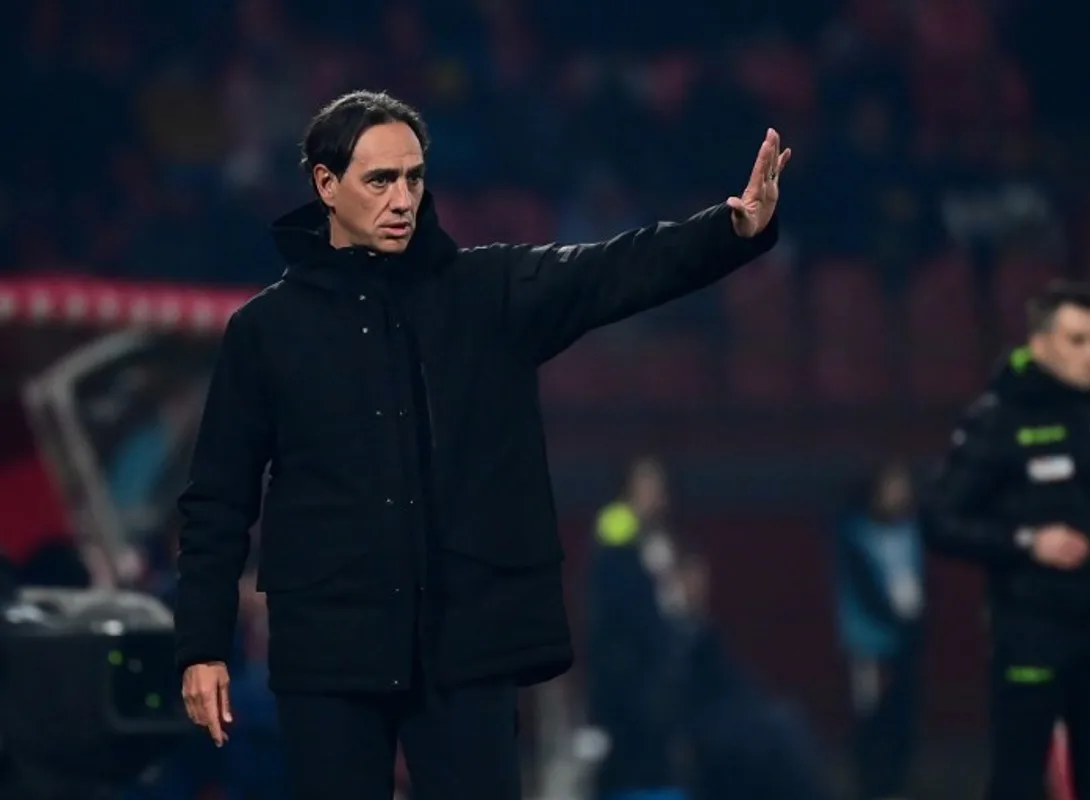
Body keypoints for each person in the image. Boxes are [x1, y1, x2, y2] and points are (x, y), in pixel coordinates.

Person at [175, 89, 790, 800]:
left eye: (413, 177)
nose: (402, 197)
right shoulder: (266, 332)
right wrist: (203, 645)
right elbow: (217, 500)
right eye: (380, 180)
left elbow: (613, 270)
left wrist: (732, 230)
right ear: (324, 184)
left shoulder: (488, 289)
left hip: (466, 647)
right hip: (330, 650)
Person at [922, 280, 1090, 800]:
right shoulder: (996, 420)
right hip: (1032, 629)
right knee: (1018, 780)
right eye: (1077, 339)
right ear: (1039, 344)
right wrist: (1027, 541)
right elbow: (940, 519)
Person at [586, 457, 687, 800]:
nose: (656, 494)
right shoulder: (619, 530)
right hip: (628, 671)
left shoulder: (658, 537)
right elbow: (624, 605)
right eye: (647, 484)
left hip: (657, 670)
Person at [834, 462, 923, 800]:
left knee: (904, 722)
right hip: (868, 648)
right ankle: (871, 788)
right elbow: (866, 591)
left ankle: (897, 786)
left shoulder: (912, 532)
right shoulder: (854, 533)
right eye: (891, 487)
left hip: (907, 646)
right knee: (872, 721)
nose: (899, 495)